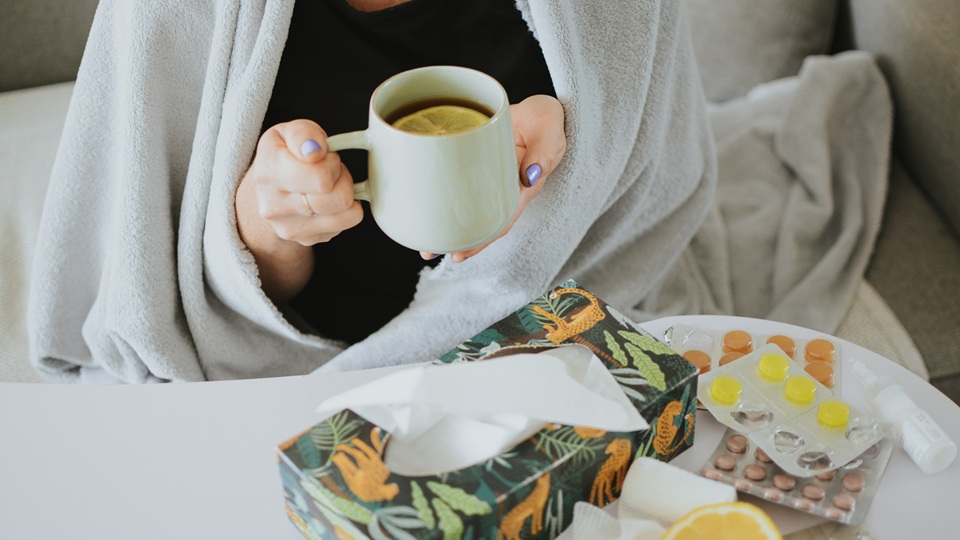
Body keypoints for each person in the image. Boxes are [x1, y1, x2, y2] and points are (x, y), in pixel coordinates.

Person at [28, 0, 716, 383]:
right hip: (295, 368)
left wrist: (579, 134)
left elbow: (653, 178)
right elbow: (148, 282)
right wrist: (267, 228)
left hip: (542, 335)